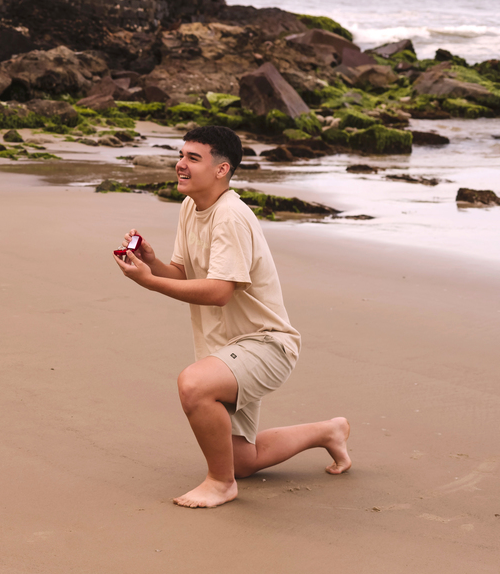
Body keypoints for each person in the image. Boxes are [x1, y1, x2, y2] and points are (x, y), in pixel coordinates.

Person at [113, 125, 351, 508]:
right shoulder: (192, 206)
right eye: (181, 155)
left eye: (194, 158)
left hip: (267, 344)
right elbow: (184, 273)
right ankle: (328, 432)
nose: (181, 165)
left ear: (222, 170)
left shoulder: (231, 217)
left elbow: (220, 292)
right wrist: (152, 264)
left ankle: (220, 484)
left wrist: (150, 284)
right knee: (242, 460)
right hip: (228, 348)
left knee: (194, 385)